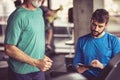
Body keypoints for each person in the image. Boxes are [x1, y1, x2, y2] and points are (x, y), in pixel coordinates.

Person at [4, 0, 53, 80]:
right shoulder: (17, 16)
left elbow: (32, 39)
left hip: (38, 69)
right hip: (21, 73)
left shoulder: (39, 11)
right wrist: (36, 62)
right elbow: (9, 49)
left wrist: (40, 55)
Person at [73, 9, 120, 80]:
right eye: (94, 24)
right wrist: (78, 67)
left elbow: (117, 67)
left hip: (106, 78)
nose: (96, 29)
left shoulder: (114, 40)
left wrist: (102, 66)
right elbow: (76, 62)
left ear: (106, 25)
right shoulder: (81, 40)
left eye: (100, 26)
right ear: (91, 21)